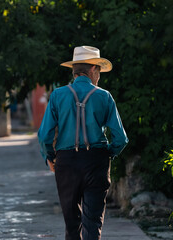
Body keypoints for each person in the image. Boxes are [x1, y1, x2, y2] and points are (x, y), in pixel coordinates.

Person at [38, 46, 128, 240]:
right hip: (96, 161)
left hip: (66, 162)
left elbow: (45, 134)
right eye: (99, 72)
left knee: (72, 225)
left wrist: (50, 157)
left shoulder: (57, 95)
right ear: (93, 69)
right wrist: (108, 153)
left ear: (74, 71)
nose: (99, 77)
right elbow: (121, 138)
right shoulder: (104, 96)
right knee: (92, 223)